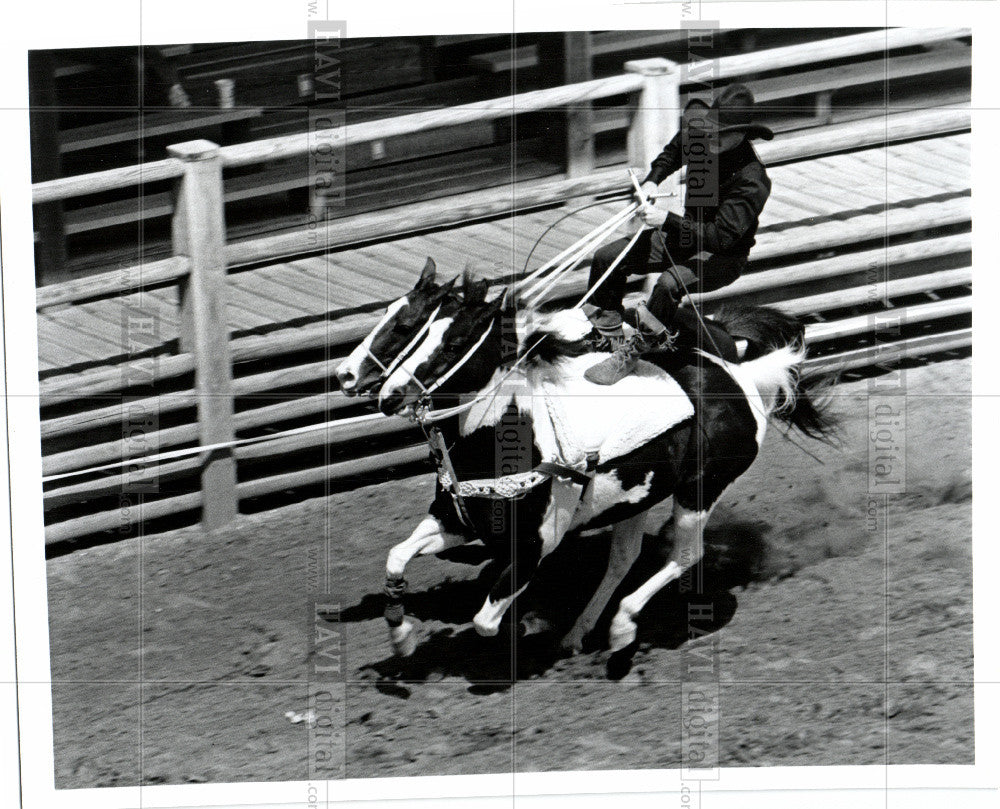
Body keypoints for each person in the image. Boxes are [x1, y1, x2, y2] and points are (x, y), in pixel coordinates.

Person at [584, 83, 774, 385]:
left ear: (741, 135)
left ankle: (632, 354)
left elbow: (719, 237)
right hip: (685, 236)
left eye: (719, 134)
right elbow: (672, 154)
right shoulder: (705, 137)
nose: (709, 138)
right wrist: (651, 182)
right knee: (608, 257)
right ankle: (605, 335)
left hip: (721, 256)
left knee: (668, 283)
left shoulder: (752, 181)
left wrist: (665, 219)